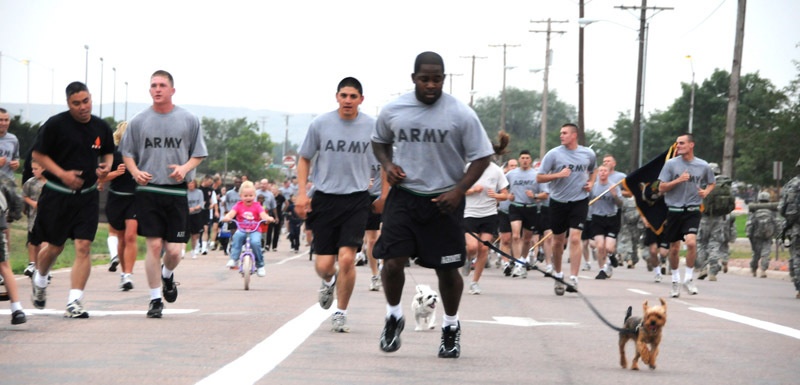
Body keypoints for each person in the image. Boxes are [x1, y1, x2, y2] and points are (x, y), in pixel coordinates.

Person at [372, 51, 494, 358]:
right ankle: (393, 316)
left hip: (444, 202)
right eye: (425, 79)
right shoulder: (394, 109)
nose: (431, 85)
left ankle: (450, 327)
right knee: (393, 261)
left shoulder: (461, 114)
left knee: (448, 270)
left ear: (443, 78)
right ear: (414, 78)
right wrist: (387, 165)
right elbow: (379, 140)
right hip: (405, 198)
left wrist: (459, 190)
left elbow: (483, 156)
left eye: (437, 79)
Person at [121, 70, 207, 318]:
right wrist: (135, 171)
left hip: (176, 192)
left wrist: (185, 168)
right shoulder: (138, 120)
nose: (157, 89)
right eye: (153, 85)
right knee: (155, 245)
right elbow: (127, 152)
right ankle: (155, 299)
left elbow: (198, 154)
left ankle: (167, 275)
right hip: (148, 191)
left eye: (162, 85)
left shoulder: (188, 119)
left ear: (172, 90)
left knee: (174, 251)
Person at [295, 76, 375, 333]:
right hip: (325, 199)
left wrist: (384, 194)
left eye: (353, 96)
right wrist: (301, 193)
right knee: (324, 265)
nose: (348, 101)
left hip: (356, 199)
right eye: (344, 96)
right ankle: (328, 281)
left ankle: (341, 312)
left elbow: (386, 161)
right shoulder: (321, 124)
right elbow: (304, 158)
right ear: (337, 97)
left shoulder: (372, 127)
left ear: (361, 100)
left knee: (348, 259)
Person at [30, 82, 114, 318]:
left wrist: (105, 165)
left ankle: (74, 301)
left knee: (83, 246)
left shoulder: (100, 126)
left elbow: (107, 151)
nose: (83, 107)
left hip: (86, 197)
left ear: (91, 99)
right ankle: (40, 278)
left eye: (86, 101)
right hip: (57, 195)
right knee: (54, 247)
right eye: (76, 103)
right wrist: (62, 174)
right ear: (68, 104)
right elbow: (38, 154)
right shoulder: (56, 125)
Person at [536, 123, 597, 295]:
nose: (561, 135)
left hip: (579, 201)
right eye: (560, 132)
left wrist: (591, 182)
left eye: (564, 133)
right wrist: (558, 175)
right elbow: (539, 177)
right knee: (558, 241)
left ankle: (574, 279)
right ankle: (558, 274)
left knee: (576, 239)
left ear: (574, 135)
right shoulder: (553, 154)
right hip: (558, 202)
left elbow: (594, 169)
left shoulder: (588, 153)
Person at [657, 133, 715, 298]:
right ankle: (675, 281)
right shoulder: (671, 164)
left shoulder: (703, 165)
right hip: (674, 210)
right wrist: (678, 180)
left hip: (692, 210)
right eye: (677, 143)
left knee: (691, 242)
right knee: (674, 249)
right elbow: (661, 187)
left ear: (691, 145)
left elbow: (712, 182)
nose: (678, 146)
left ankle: (688, 278)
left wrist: (706, 192)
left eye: (681, 143)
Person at [463, 132, 510, 294]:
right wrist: (473, 190)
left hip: (489, 214)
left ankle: (475, 282)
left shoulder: (496, 171)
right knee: (471, 247)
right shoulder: (469, 168)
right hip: (469, 213)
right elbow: (459, 191)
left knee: (483, 248)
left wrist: (496, 195)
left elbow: (505, 194)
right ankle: (469, 259)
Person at [100, 121, 139, 291]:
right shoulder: (113, 155)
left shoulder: (141, 154)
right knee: (122, 238)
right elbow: (100, 178)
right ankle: (124, 274)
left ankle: (128, 275)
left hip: (135, 200)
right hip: (116, 199)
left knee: (131, 236)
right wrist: (115, 173)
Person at [504, 150, 547, 278]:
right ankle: (517, 264)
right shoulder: (511, 174)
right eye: (522, 157)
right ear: (519, 160)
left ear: (530, 160)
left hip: (531, 208)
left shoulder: (536, 175)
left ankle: (522, 260)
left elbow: (545, 194)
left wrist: (534, 195)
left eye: (527, 158)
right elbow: (502, 188)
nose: (525, 160)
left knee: (527, 238)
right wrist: (508, 195)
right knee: (516, 236)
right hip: (516, 207)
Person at [221, 181, 273, 276]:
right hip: (242, 229)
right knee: (236, 237)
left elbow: (263, 215)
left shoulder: (257, 206)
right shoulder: (238, 205)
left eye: (251, 195)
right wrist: (227, 217)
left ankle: (260, 265)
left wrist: (268, 218)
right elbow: (231, 213)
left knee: (255, 243)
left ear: (254, 195)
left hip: (255, 230)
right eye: (245, 195)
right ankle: (234, 259)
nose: (248, 198)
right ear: (241, 196)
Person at [696, 162, 735, 281]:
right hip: (719, 219)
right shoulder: (724, 185)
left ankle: (703, 268)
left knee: (702, 243)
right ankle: (713, 271)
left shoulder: (701, 183)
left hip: (703, 218)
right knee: (714, 244)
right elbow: (731, 204)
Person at [589, 165, 623, 279]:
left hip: (611, 218)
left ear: (608, 173)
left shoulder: (614, 186)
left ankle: (611, 256)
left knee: (608, 247)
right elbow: (586, 200)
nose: (603, 173)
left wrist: (614, 195)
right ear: (598, 173)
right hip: (597, 218)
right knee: (600, 246)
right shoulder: (594, 187)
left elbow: (620, 204)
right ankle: (602, 269)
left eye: (605, 171)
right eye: (601, 171)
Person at [777, 157, 800, 298]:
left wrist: (789, 222)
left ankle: (799, 286)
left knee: (797, 256)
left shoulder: (792, 184)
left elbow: (782, 208)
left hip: (796, 226)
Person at [22, 159, 46, 278]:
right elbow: (24, 196)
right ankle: (32, 263)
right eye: (32, 169)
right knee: (32, 241)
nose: (33, 171)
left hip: (48, 217)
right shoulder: (30, 183)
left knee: (44, 242)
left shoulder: (51, 182)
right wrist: (31, 204)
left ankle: (43, 266)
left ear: (44, 168)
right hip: (33, 216)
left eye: (36, 169)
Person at [746, 191, 778, 278]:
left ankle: (754, 269)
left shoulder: (754, 209)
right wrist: (777, 233)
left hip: (756, 236)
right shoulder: (772, 210)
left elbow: (749, 223)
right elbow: (776, 222)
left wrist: (749, 233)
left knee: (756, 254)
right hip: (768, 235)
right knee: (766, 254)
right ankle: (763, 270)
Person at [496, 159, 518, 269]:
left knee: (516, 238)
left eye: (515, 165)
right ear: (507, 167)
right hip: (503, 211)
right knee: (505, 239)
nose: (513, 168)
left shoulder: (520, 178)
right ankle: (506, 263)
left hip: (517, 211)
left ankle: (515, 260)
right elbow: (495, 193)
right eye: (511, 165)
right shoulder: (501, 178)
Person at [186, 179, 205, 259]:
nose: (190, 185)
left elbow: (201, 204)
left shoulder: (199, 192)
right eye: (189, 183)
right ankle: (182, 251)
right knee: (185, 233)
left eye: (192, 183)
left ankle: (194, 250)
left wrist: (194, 208)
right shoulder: (185, 192)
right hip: (186, 214)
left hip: (196, 214)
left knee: (195, 234)